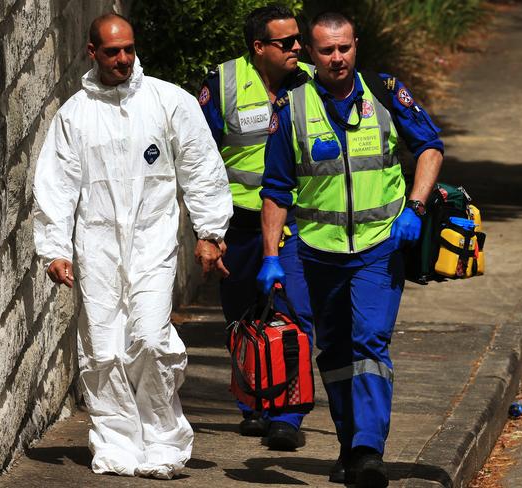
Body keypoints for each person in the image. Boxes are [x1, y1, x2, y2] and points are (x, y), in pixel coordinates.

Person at [32, 13, 232, 480]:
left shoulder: (169, 102)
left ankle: (163, 442)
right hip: (97, 244)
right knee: (103, 346)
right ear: (92, 53)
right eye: (112, 52)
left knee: (149, 338)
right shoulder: (74, 116)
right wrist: (55, 249)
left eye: (129, 49)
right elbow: (56, 187)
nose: (123, 59)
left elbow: (201, 168)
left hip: (153, 241)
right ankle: (116, 444)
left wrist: (210, 233)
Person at [257, 11, 444, 487]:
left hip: (380, 248)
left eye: (344, 48)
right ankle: (348, 442)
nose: (337, 58)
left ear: (355, 46)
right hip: (318, 252)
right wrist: (272, 256)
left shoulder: (383, 92)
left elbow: (429, 147)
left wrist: (415, 208)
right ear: (312, 54)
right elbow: (277, 189)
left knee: (370, 342)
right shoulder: (292, 108)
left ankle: (367, 450)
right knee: (336, 350)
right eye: (326, 51)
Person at [198, 5, 314, 450]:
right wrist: (207, 231)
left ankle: (288, 413)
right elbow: (198, 158)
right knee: (242, 317)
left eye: (298, 40)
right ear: (259, 47)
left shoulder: (310, 82)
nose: (297, 49)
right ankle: (254, 405)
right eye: (286, 43)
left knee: (291, 312)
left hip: (292, 221)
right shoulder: (223, 84)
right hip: (236, 224)